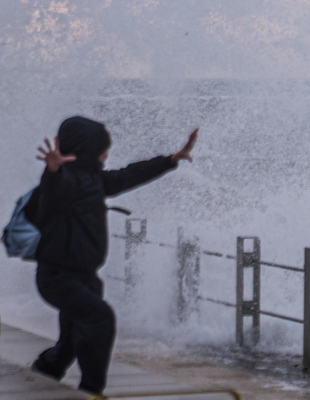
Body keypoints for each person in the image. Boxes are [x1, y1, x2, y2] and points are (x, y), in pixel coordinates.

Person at [27, 117, 197, 394]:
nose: (106, 155)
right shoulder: (64, 182)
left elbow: (130, 175)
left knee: (72, 340)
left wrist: (170, 160)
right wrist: (53, 171)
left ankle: (47, 368)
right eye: (101, 149)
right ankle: (91, 391)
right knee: (100, 319)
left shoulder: (95, 180)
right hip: (57, 278)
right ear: (87, 150)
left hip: (86, 278)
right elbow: (54, 192)